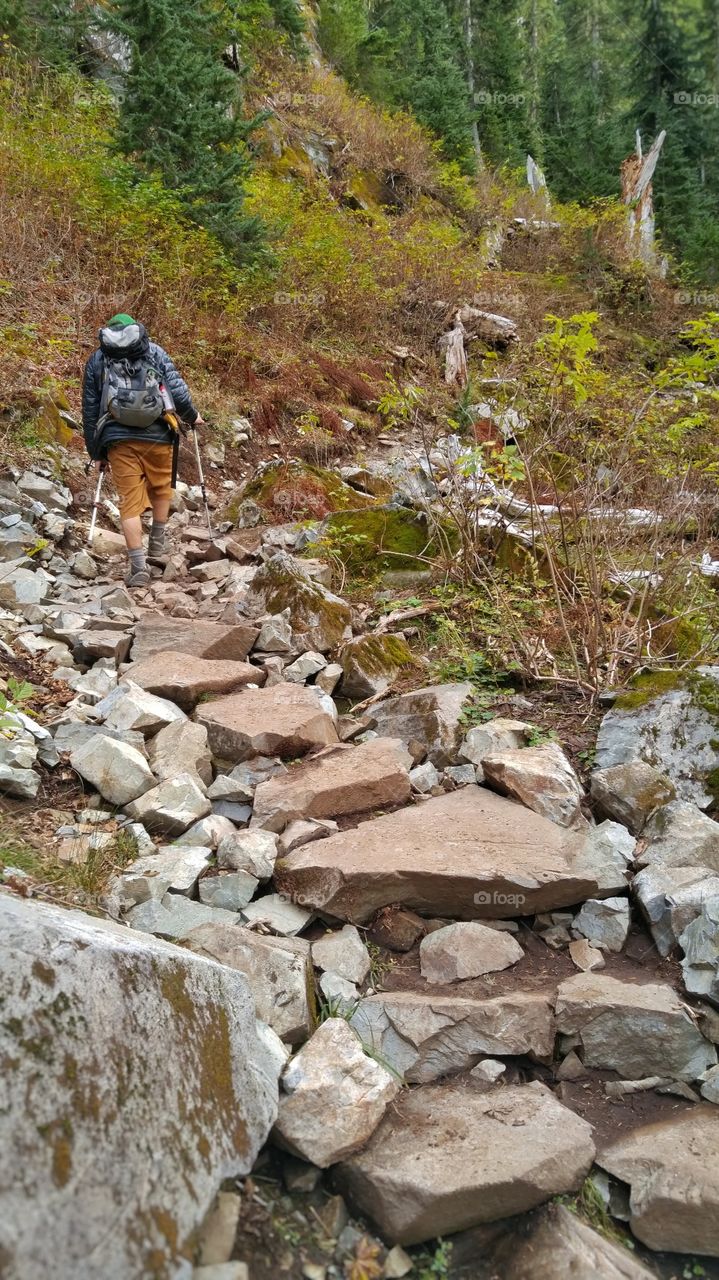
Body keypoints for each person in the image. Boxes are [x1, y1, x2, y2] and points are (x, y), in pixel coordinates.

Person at [82, 313, 204, 586]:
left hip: (117, 438)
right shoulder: (154, 351)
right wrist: (192, 415)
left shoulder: (98, 359)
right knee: (161, 488)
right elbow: (176, 391)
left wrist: (96, 453)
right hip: (159, 433)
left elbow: (90, 411)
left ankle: (138, 569)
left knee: (130, 502)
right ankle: (157, 550)